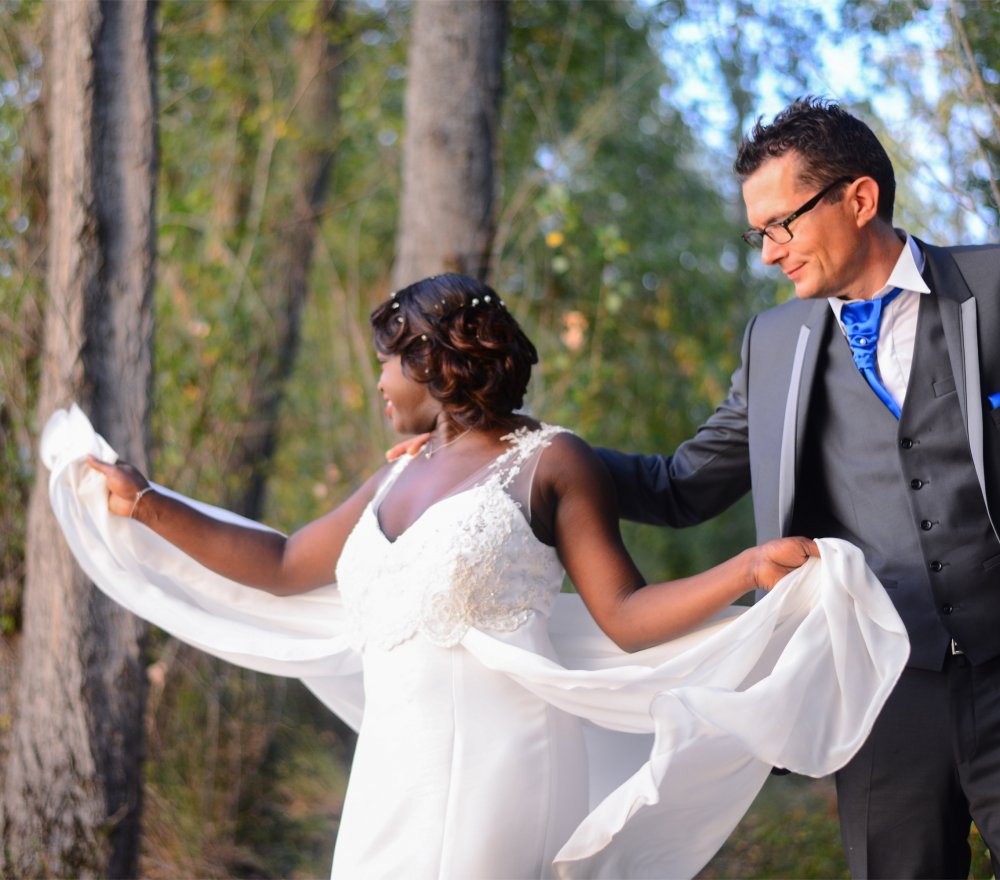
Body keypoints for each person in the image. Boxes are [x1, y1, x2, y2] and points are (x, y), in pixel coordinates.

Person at [42, 273, 906, 879]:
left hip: (500, 764)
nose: (379, 382)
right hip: (391, 767)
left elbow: (627, 614)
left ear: (434, 362)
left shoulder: (551, 462)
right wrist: (147, 502)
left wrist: (746, 568)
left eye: (389, 360)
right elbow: (280, 564)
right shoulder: (395, 472)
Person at [596, 96, 1000, 879]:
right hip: (883, 688)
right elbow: (680, 486)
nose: (768, 254)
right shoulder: (775, 342)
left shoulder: (995, 285)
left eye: (782, 224)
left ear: (858, 198)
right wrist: (535, 452)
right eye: (758, 234)